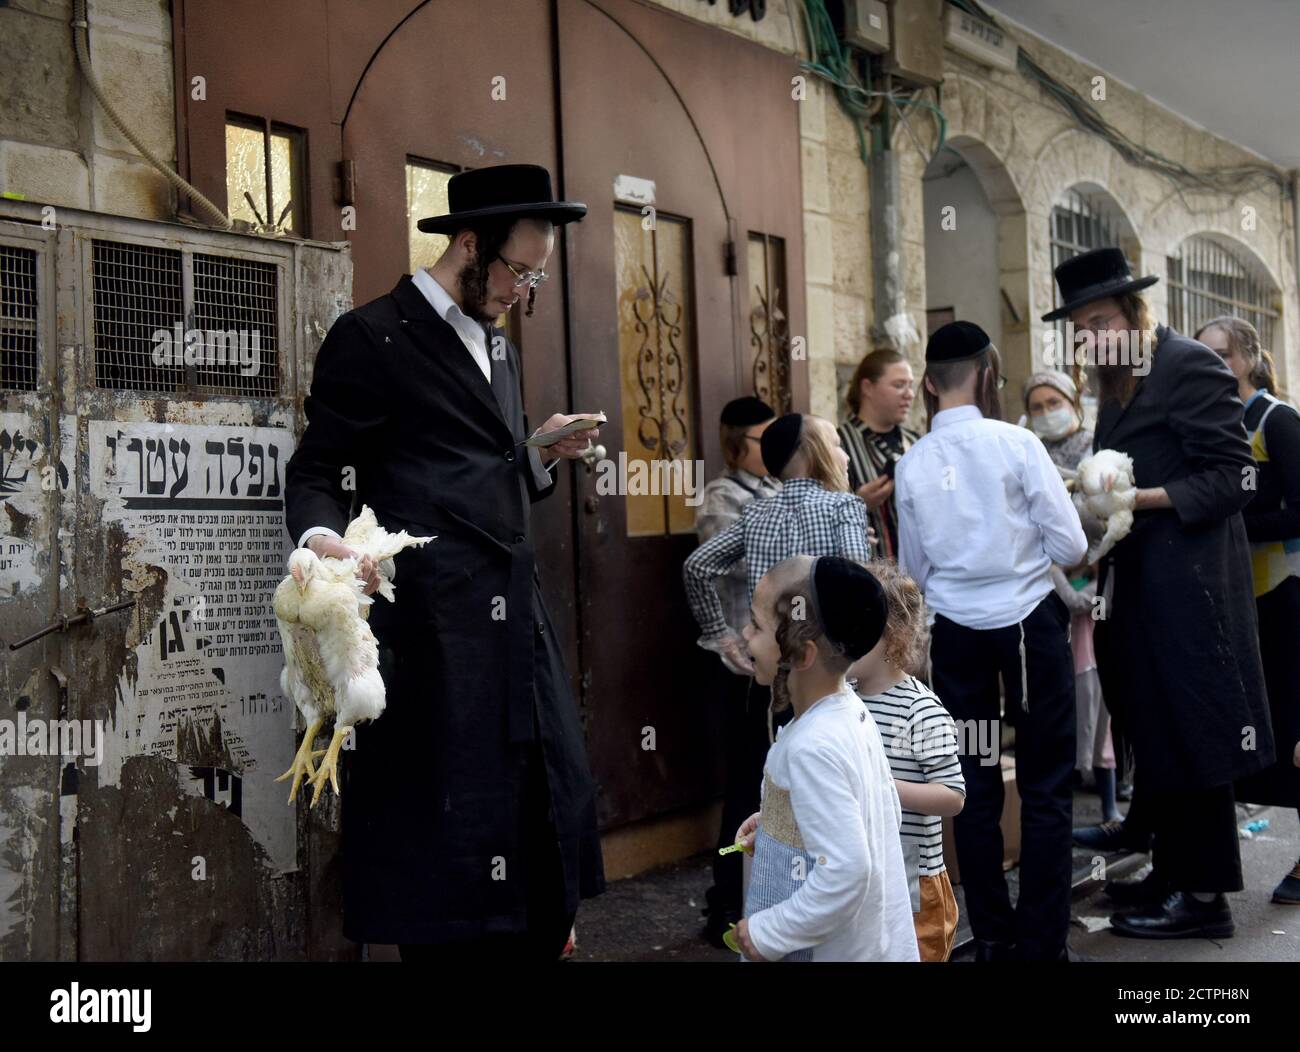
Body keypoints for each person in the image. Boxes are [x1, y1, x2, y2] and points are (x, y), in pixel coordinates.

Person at [285, 164, 604, 961]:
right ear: (468, 243)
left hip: (513, 623)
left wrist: (540, 451)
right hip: (429, 627)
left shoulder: (496, 347)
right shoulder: (372, 336)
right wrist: (320, 542)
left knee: (542, 802)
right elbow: (317, 469)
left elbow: (483, 467)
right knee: (447, 835)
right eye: (518, 271)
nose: (523, 291)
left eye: (537, 276)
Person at [1043, 248, 1273, 939]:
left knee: (1194, 730)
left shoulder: (1186, 365)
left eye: (1104, 318)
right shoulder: (1118, 382)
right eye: (1082, 326)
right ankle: (1172, 872)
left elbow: (1234, 479)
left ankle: (1205, 900)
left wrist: (1136, 499)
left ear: (1135, 311)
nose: (1094, 335)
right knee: (1155, 729)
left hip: (1190, 589)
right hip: (1137, 586)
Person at [894, 320, 1087, 962]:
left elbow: (914, 574)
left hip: (956, 639)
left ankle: (995, 938)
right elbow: (1073, 545)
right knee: (1046, 781)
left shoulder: (911, 463)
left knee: (971, 782)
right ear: (987, 375)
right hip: (1029, 626)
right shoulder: (1018, 443)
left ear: (927, 383)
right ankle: (1042, 943)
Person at [731, 555, 919, 962]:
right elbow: (868, 812)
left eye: (756, 625)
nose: (745, 635)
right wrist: (780, 820)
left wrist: (768, 932)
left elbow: (847, 874)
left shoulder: (812, 747)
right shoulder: (849, 712)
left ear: (802, 654)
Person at [1196, 316, 1300, 905]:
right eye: (1203, 355)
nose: (1215, 365)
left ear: (1251, 359)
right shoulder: (1212, 426)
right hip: (1236, 603)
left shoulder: (1277, 421)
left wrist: (1233, 522)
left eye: (1223, 355)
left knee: (1294, 725)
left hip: (1284, 596)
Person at [683, 411, 873, 696]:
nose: (845, 456)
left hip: (774, 653)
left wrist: (719, 634)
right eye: (837, 445)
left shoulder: (756, 513)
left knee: (783, 730)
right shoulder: (843, 506)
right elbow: (861, 582)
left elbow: (697, 566)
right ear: (814, 452)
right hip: (829, 658)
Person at [694, 396, 781, 944]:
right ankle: (725, 903)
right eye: (760, 441)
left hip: (775, 663)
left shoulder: (775, 492)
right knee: (745, 786)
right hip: (739, 665)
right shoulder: (722, 499)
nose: (771, 451)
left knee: (776, 782)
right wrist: (729, 641)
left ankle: (767, 898)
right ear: (734, 446)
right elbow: (714, 569)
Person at [849, 559, 965, 962]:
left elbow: (952, 795)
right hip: (866, 873)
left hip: (915, 880)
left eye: (855, 631)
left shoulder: (921, 709)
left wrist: (884, 788)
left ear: (894, 635)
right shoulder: (843, 698)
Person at [1023, 372, 1122, 827]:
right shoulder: (1025, 452)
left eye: (1053, 401)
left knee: (1104, 687)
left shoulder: (1099, 450)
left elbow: (1115, 516)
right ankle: (1067, 786)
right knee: (1064, 693)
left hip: (1103, 585)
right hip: (1046, 597)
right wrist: (1063, 587)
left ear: (1073, 401)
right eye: (1037, 405)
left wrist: (1091, 567)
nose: (1046, 412)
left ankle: (1110, 788)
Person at [839, 349, 919, 561]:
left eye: (910, 385)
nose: (909, 394)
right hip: (870, 575)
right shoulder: (839, 443)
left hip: (921, 577)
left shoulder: (916, 441)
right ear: (868, 387)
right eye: (899, 385)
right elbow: (817, 517)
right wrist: (858, 502)